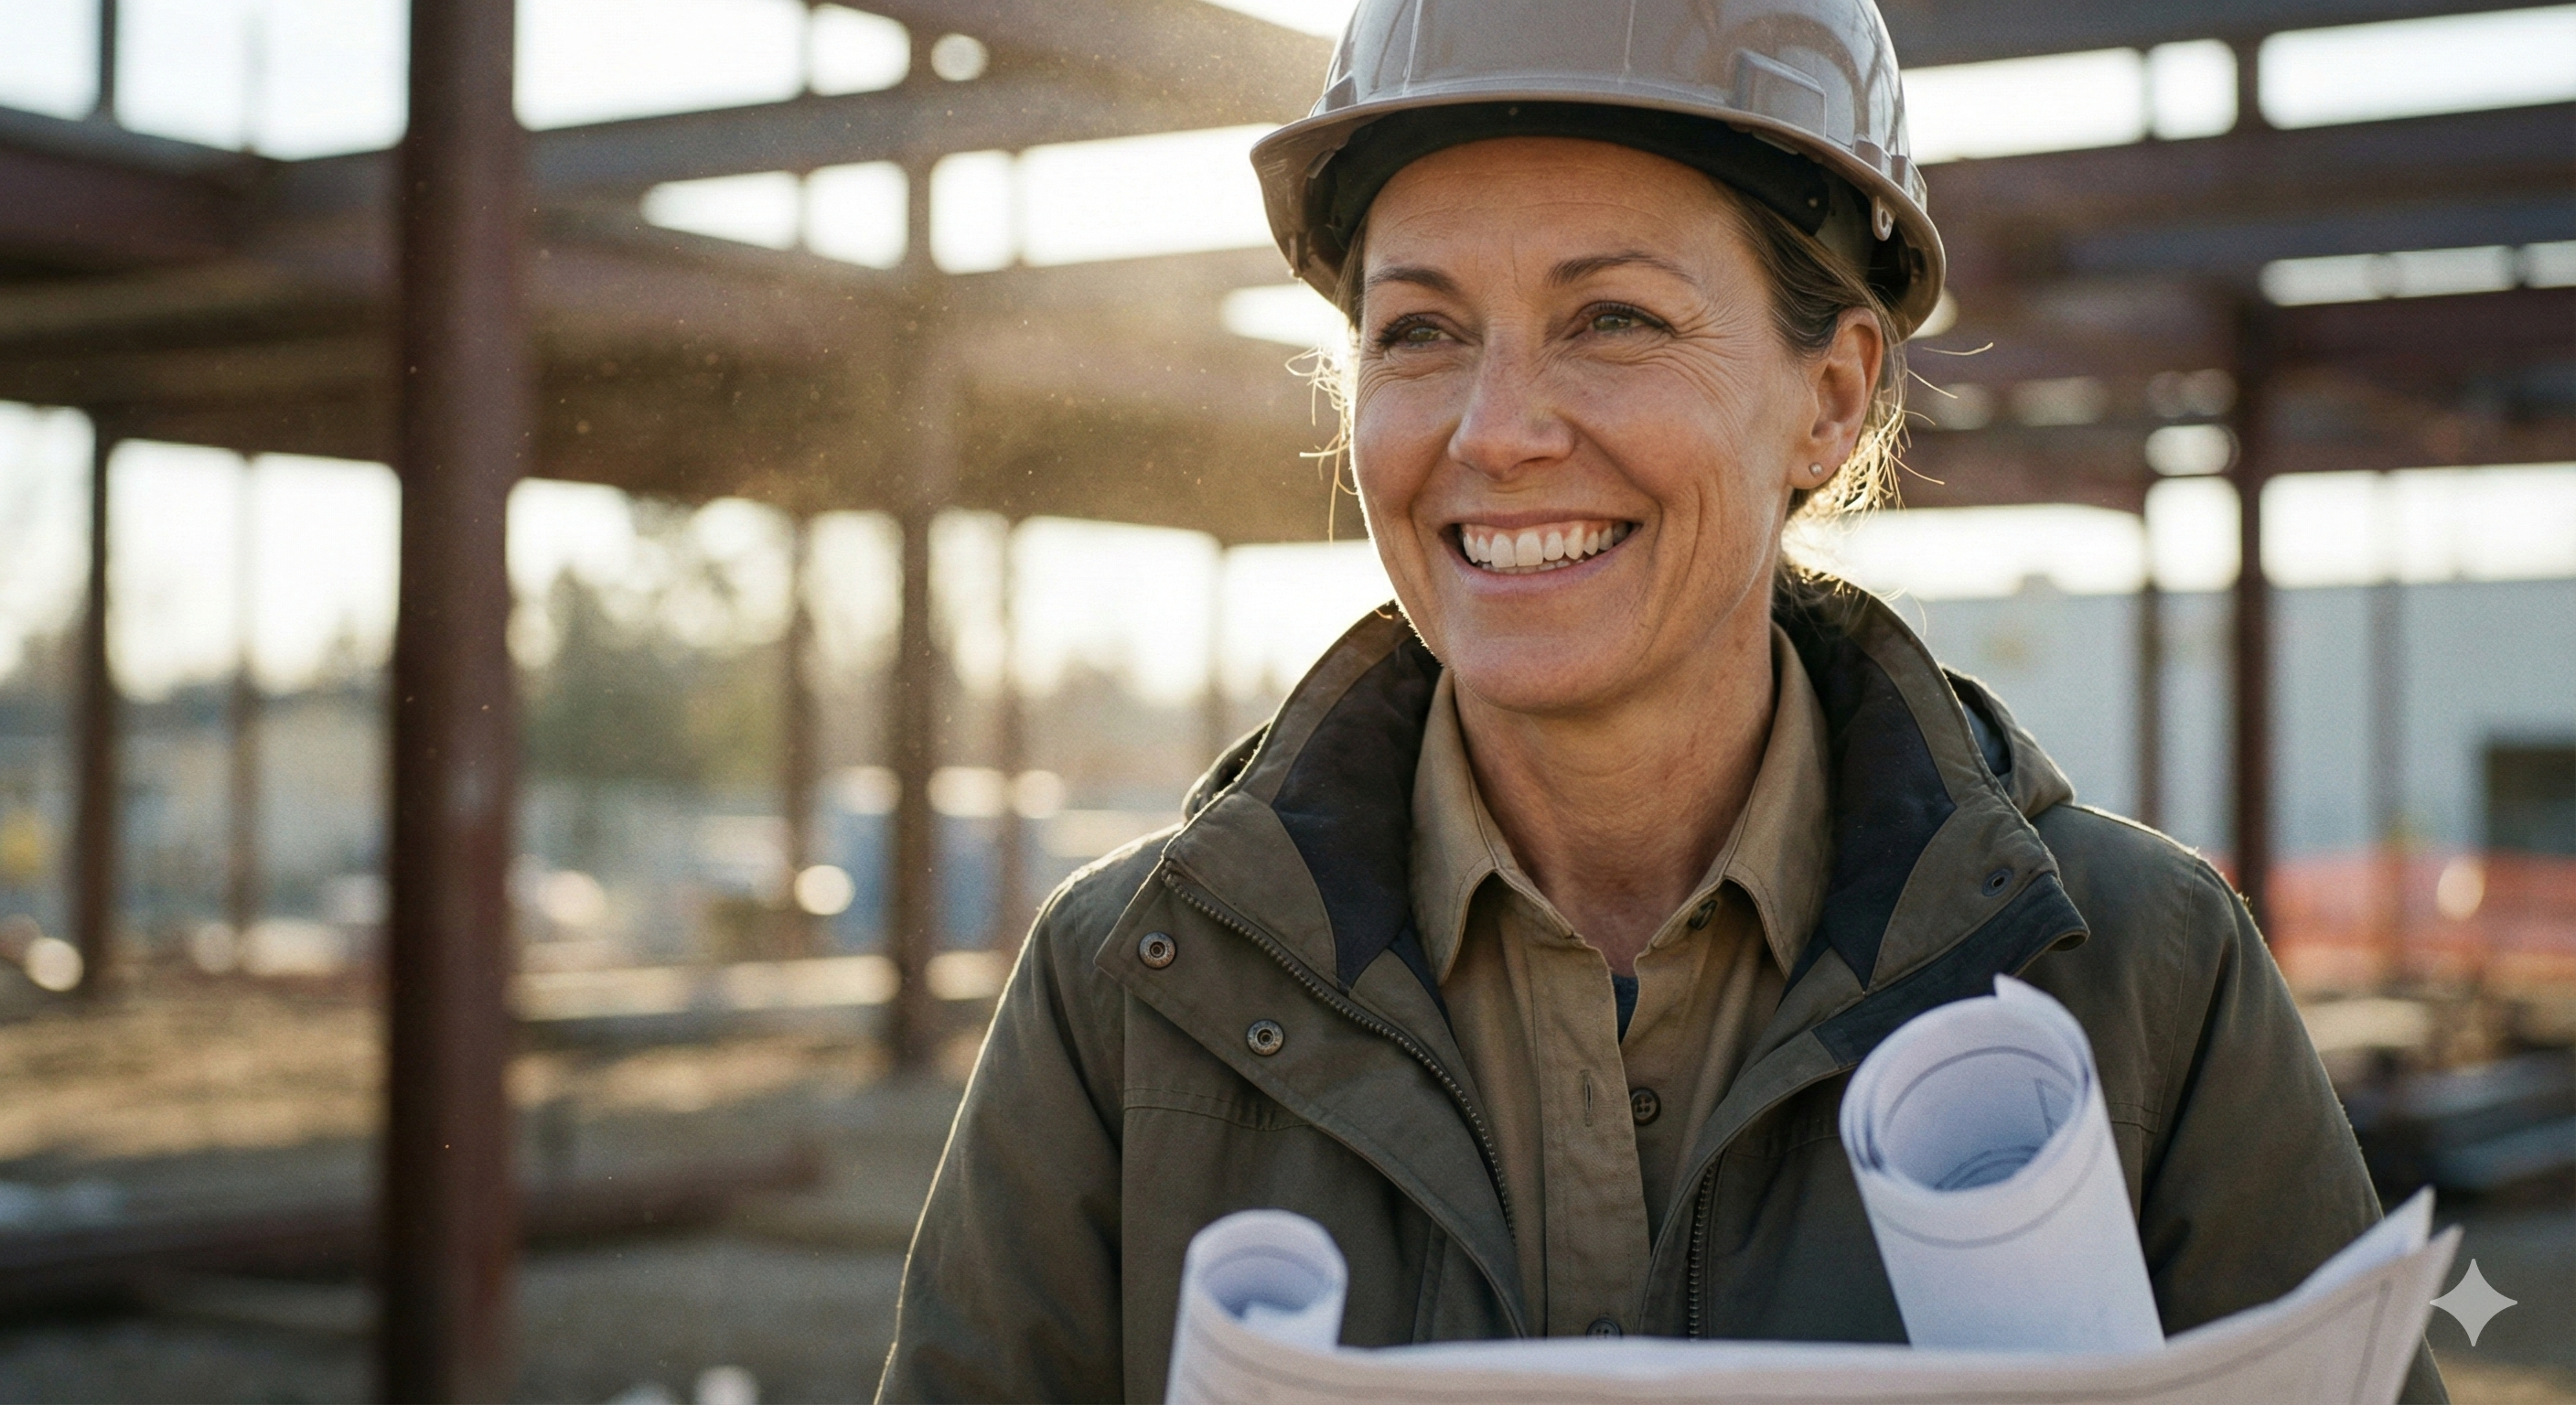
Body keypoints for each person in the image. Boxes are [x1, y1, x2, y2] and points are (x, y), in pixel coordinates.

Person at [877, 2, 2443, 1400]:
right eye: (1419, 332)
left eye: (1611, 319)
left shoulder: (2139, 982)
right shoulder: (1125, 994)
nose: (1495, 431)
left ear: (1830, 397)